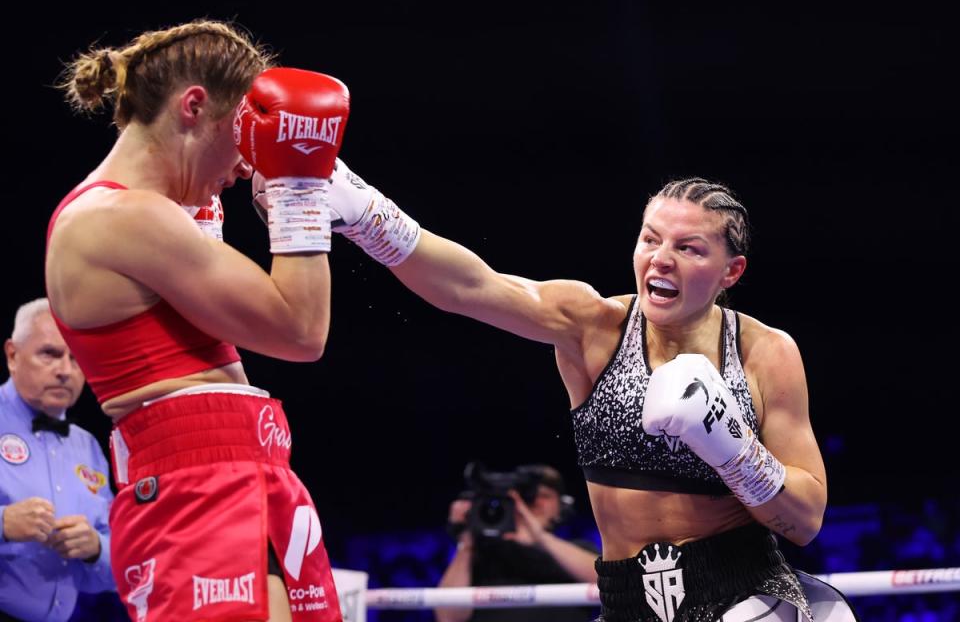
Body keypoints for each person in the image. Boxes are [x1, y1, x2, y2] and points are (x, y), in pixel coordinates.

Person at [291, 164, 859, 621]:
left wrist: (730, 445)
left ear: (731, 271)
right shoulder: (594, 327)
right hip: (625, 602)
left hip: (746, 591)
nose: (660, 257)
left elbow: (805, 521)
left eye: (689, 248)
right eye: (651, 238)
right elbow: (470, 286)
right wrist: (362, 210)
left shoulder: (765, 352)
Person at [47, 21, 351, 622]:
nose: (247, 166)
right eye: (243, 134)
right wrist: (297, 191)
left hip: (245, 470)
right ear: (193, 107)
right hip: (195, 487)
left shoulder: (158, 216)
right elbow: (301, 332)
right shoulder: (118, 217)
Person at [0, 298, 117, 621]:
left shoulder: (88, 447)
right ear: (12, 355)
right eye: (49, 354)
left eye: (76, 359)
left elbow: (117, 569)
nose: (65, 370)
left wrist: (95, 548)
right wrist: (3, 524)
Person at [436, 463, 599, 622]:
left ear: (562, 505)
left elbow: (607, 582)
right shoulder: (482, 555)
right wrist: (467, 540)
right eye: (528, 498)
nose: (536, 503)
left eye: (545, 496)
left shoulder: (580, 550)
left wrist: (540, 538)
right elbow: (448, 617)